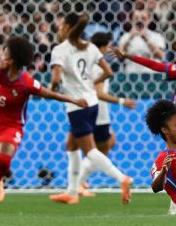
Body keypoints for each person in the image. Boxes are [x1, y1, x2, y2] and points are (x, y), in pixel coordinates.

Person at [0, 36, 88, 214]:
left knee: (2, 159)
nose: (3, 52)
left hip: (12, 125)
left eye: (6, 50)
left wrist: (74, 100)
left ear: (13, 56)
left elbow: (49, 94)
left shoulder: (26, 82)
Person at [49, 13, 133, 205]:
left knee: (90, 150)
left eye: (62, 24)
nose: (60, 28)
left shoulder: (60, 50)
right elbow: (109, 71)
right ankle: (72, 192)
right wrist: (88, 84)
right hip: (92, 103)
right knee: (71, 145)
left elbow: (55, 79)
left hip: (76, 104)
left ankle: (122, 178)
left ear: (68, 28)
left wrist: (52, 91)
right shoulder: (91, 47)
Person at [74, 32, 137, 197]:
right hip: (97, 114)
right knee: (98, 150)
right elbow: (99, 93)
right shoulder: (97, 66)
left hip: (91, 112)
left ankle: (79, 183)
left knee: (106, 144)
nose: (110, 49)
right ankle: (78, 183)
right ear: (102, 47)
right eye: (108, 46)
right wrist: (122, 101)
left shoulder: (90, 62)